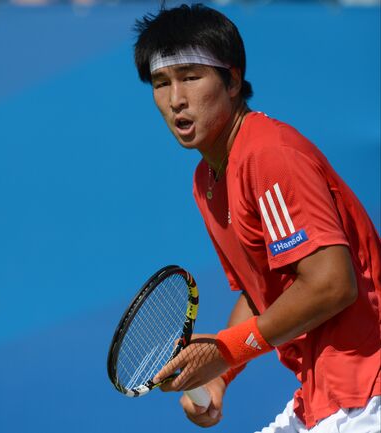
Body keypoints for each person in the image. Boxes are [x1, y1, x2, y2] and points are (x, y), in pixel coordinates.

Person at [133, 4, 380, 432]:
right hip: (325, 396)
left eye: (191, 77)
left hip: (367, 391)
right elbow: (263, 290)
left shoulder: (268, 153)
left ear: (232, 80)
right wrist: (218, 376)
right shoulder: (207, 178)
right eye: (161, 83)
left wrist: (225, 351)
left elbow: (331, 284)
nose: (176, 99)